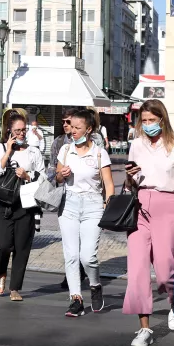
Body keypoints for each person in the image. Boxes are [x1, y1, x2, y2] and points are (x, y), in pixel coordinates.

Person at [124, 99, 174, 346]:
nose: (147, 125)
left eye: (151, 121)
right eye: (143, 121)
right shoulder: (136, 145)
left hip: (166, 206)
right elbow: (129, 183)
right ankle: (144, 329)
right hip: (140, 206)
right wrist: (130, 178)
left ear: (162, 120)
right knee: (137, 271)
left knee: (166, 270)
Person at [55, 109, 115, 317]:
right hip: (69, 205)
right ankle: (76, 299)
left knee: (87, 256)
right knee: (71, 255)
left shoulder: (99, 153)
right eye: (71, 127)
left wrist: (109, 205)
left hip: (93, 206)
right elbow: (57, 178)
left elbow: (108, 183)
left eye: (77, 127)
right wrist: (61, 175)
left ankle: (95, 284)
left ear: (88, 129)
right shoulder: (65, 150)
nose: (72, 131)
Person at [0, 113, 45, 302]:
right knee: (4, 245)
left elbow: (43, 178)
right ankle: (1, 273)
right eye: (17, 130)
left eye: (24, 130)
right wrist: (7, 152)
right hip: (4, 203)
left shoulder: (34, 151)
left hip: (26, 204)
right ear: (9, 131)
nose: (22, 133)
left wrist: (28, 176)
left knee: (22, 248)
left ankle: (15, 288)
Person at [48, 108, 88, 289]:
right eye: (63, 122)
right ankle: (72, 275)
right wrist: (58, 175)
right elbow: (51, 170)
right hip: (65, 196)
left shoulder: (93, 142)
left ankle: (84, 268)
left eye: (69, 122)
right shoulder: (58, 143)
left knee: (83, 239)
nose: (66, 126)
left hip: (87, 198)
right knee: (70, 240)